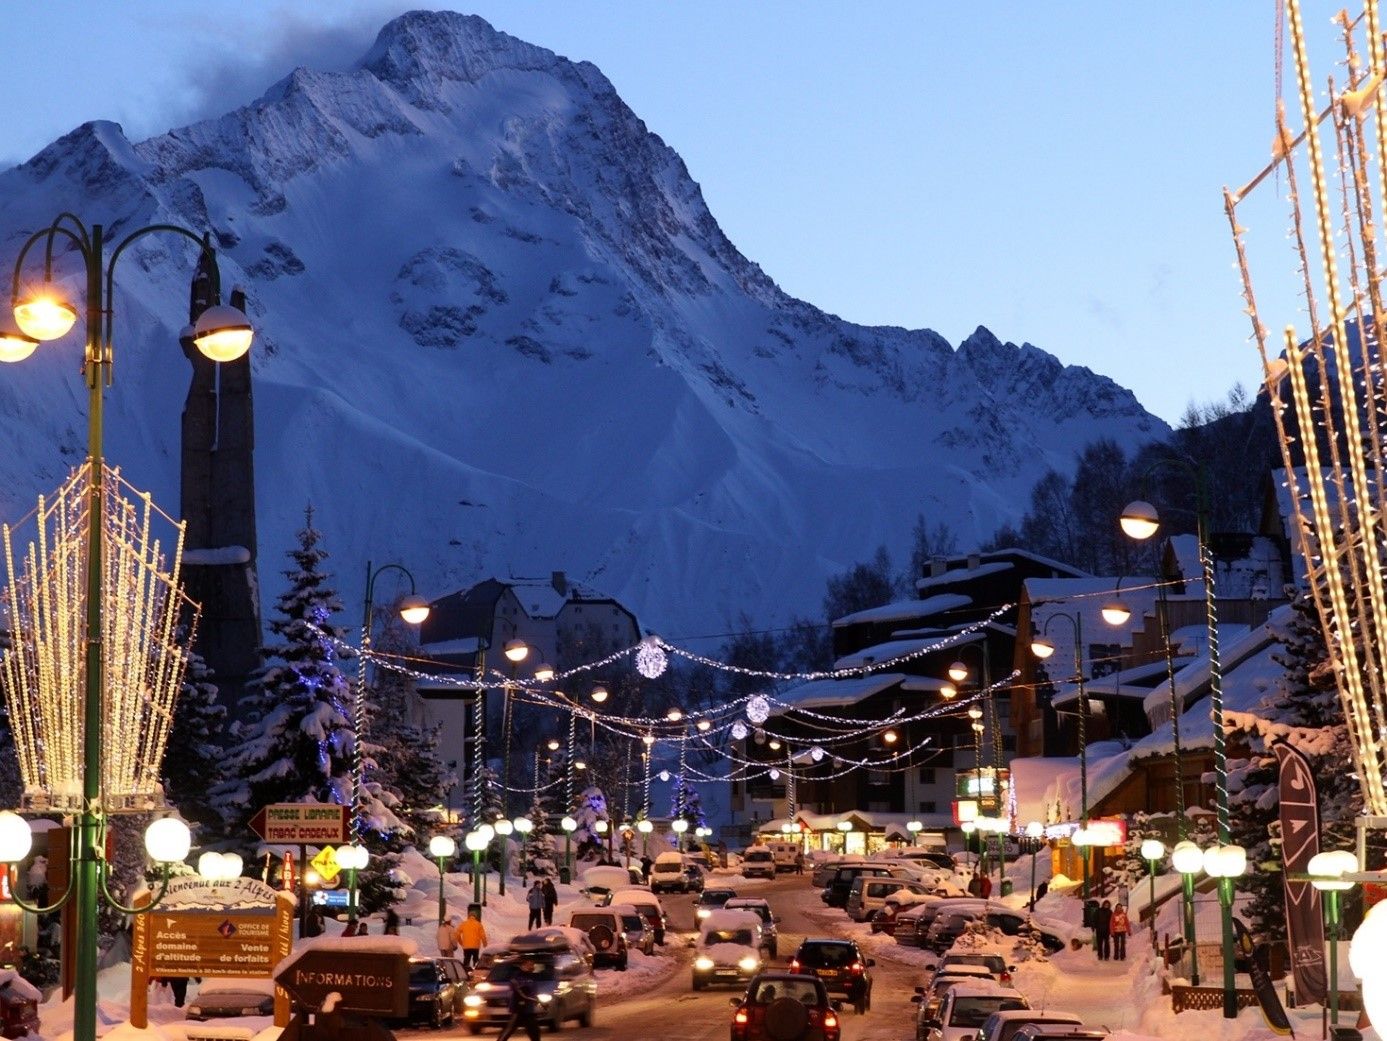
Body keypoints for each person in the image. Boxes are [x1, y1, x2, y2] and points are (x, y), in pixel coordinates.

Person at [495, 958, 543, 1041]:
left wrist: (539, 1002)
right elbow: (521, 993)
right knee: (509, 1029)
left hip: (528, 1009)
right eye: (529, 965)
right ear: (522, 965)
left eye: (532, 965)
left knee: (534, 1031)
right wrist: (535, 1000)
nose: (532, 967)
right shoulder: (516, 977)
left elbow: (533, 993)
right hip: (518, 1009)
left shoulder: (532, 977)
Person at [458, 907, 488, 972]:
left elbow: (457, 934)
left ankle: (465, 971)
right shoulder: (478, 924)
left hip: (466, 946)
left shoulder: (463, 924)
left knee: (466, 959)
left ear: (469, 916)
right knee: (476, 959)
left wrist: (461, 942)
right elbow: (483, 935)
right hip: (475, 946)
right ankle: (476, 971)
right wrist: (485, 944)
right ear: (475, 916)